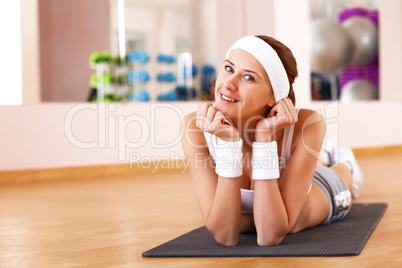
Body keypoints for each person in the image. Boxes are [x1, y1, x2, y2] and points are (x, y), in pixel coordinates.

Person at [181, 35, 363, 246]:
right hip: (294, 175)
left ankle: (340, 158)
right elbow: (225, 235)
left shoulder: (309, 123)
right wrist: (229, 144)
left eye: (248, 77)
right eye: (229, 69)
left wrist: (264, 139)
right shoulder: (194, 127)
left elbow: (269, 235)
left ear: (273, 96)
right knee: (314, 164)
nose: (228, 84)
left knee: (344, 172)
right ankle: (324, 155)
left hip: (325, 188)